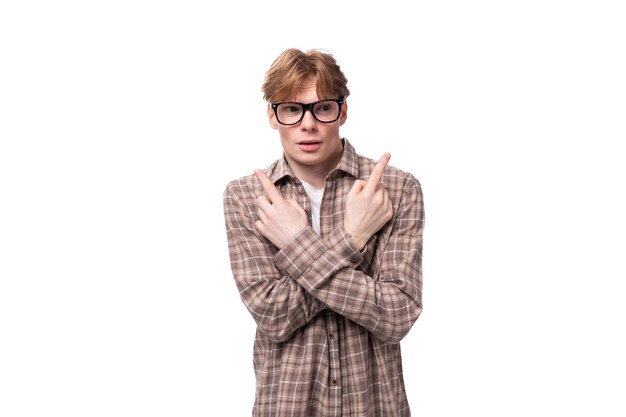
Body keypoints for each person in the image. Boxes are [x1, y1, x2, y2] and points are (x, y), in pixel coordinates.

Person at [223, 48, 425, 417]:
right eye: (291, 109)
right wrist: (352, 237)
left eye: (322, 108)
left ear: (342, 111)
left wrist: (296, 246)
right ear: (272, 115)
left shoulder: (397, 190)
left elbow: (397, 315)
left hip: (375, 406)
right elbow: (274, 316)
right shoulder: (244, 197)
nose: (307, 124)